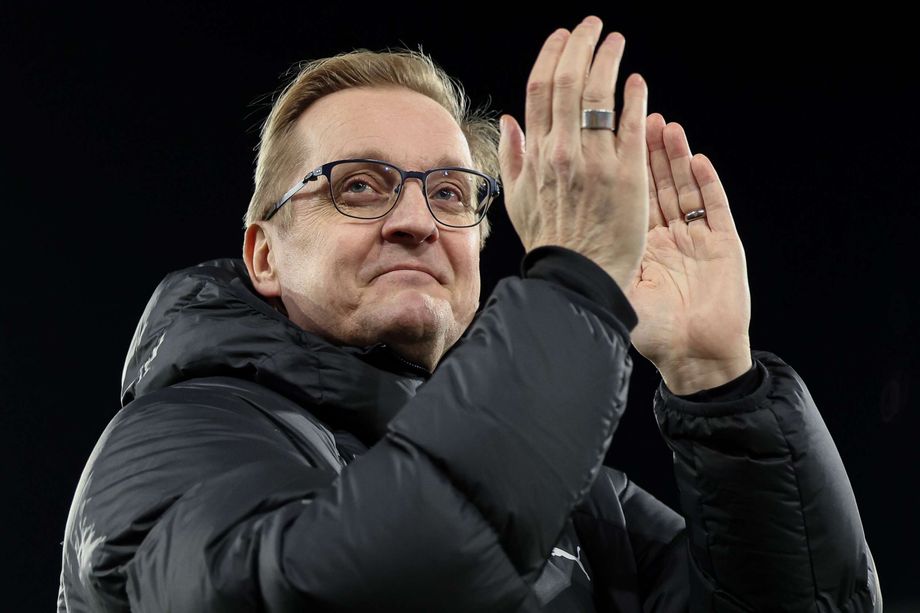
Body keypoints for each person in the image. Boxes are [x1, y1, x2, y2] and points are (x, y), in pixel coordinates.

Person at [57, 15, 882, 612]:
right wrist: (575, 288)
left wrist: (719, 383)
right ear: (264, 254)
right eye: (359, 186)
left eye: (450, 193)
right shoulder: (172, 441)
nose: (417, 221)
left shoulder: (582, 505)